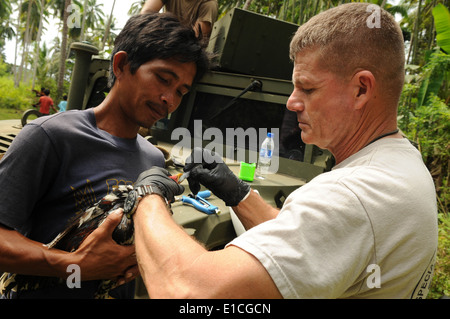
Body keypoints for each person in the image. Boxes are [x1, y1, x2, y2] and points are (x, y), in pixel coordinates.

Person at [130, 3, 438, 298]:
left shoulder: (354, 195)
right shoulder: (401, 162)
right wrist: (237, 193)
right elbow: (308, 246)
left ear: (361, 89)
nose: (291, 102)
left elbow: (188, 291)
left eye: (307, 88)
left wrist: (147, 196)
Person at [0, 12, 209, 299]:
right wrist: (75, 266)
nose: (169, 100)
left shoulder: (154, 160)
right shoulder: (50, 137)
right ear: (121, 65)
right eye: (163, 78)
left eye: (181, 91)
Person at [141, 0, 218, 40]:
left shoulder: (209, 3)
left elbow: (195, 40)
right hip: (164, 39)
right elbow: (145, 14)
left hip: (187, 52)